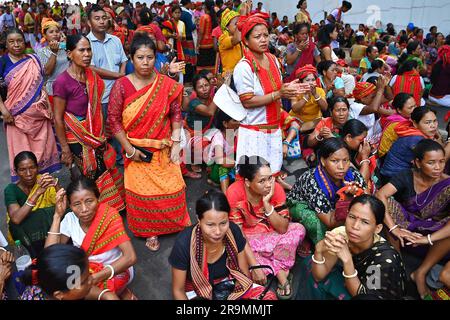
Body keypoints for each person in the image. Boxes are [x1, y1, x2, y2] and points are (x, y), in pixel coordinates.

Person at [107, 34, 191, 252]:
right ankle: (149, 231)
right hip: (136, 151)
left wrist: (175, 142)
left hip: (163, 147)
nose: (145, 63)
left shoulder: (166, 85)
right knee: (142, 195)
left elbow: (175, 113)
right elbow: (113, 121)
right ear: (132, 59)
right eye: (140, 57)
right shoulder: (122, 86)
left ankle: (174, 224)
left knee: (174, 188)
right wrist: (129, 150)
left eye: (150, 57)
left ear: (157, 59)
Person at [53, 34, 125, 213]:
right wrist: (65, 149)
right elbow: (58, 118)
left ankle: (106, 207)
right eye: (81, 50)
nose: (87, 54)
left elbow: (99, 80)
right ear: (70, 54)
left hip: (96, 134)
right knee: (94, 172)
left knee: (104, 167)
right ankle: (105, 210)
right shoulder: (62, 82)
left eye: (89, 50)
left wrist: (120, 76)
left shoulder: (91, 75)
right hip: (77, 137)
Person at [169, 190, 277, 300]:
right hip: (197, 290)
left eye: (223, 223)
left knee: (269, 297)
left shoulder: (233, 231)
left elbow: (243, 273)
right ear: (199, 220)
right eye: (210, 225)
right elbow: (178, 290)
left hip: (228, 281)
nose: (218, 231)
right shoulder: (184, 243)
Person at [376, 139, 450, 298]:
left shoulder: (447, 184)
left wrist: (427, 239)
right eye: (431, 162)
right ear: (417, 162)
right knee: (386, 204)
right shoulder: (406, 175)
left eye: (442, 162)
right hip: (405, 228)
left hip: (433, 233)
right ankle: (397, 263)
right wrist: (395, 228)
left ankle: (420, 273)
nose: (438, 167)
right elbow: (381, 194)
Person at [297, 195, 407, 300]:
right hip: (351, 278)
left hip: (370, 294)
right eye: (352, 217)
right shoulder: (341, 234)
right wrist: (318, 251)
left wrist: (347, 260)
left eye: (365, 222)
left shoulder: (383, 258)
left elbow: (364, 297)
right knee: (310, 263)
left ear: (377, 228)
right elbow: (318, 276)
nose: (355, 226)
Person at [45, 177, 137, 300]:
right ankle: (120, 293)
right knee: (62, 288)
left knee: (76, 291)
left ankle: (119, 291)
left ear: (98, 199)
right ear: (70, 205)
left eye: (89, 201)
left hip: (116, 268)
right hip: (86, 270)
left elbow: (130, 257)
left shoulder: (109, 215)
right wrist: (57, 216)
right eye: (77, 204)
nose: (84, 209)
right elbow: (50, 256)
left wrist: (93, 279)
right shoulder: (69, 219)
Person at [226, 156, 305, 299]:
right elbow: (239, 235)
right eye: (262, 181)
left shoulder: (276, 189)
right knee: (234, 252)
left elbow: (282, 229)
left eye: (270, 178)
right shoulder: (234, 192)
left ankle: (268, 267)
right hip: (248, 238)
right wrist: (254, 265)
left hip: (273, 232)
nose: (268, 184)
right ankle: (281, 272)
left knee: (298, 230)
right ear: (248, 182)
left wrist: (267, 204)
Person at [232, 12, 300, 177]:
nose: (263, 40)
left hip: (274, 130)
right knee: (254, 179)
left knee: (271, 175)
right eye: (257, 36)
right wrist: (279, 93)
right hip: (254, 134)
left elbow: (277, 88)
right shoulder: (243, 67)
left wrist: (288, 88)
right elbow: (247, 101)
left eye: (266, 35)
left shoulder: (272, 59)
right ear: (246, 41)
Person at [0, 28, 60, 183]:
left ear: (24, 42)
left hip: (39, 115)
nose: (16, 45)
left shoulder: (33, 59)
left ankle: (46, 188)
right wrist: (4, 111)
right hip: (15, 116)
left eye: (19, 41)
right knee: (22, 153)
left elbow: (46, 71)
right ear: (5, 44)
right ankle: (27, 192)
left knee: (44, 150)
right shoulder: (2, 62)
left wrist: (53, 52)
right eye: (11, 42)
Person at [287, 138, 367, 244]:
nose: (341, 167)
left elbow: (367, 199)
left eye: (345, 160)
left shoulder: (352, 174)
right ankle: (322, 250)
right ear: (323, 161)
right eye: (335, 161)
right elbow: (330, 222)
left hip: (333, 208)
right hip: (302, 205)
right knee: (317, 224)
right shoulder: (313, 181)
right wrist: (346, 200)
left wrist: (359, 194)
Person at [4, 152, 59, 258]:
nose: (28, 173)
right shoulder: (11, 190)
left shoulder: (44, 180)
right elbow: (16, 219)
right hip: (29, 235)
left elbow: (64, 207)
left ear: (37, 167)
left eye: (32, 167)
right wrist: (37, 193)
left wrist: (56, 185)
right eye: (22, 170)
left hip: (49, 228)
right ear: (16, 172)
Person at [380, 107, 441, 185]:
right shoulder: (416, 139)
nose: (433, 126)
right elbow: (436, 159)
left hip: (395, 173)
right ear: (415, 123)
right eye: (428, 122)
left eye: (435, 121)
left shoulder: (412, 131)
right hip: (392, 178)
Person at [19, 244, 94, 300]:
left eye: (89, 274)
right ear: (59, 295)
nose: (91, 280)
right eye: (83, 282)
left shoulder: (48, 284)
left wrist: (104, 295)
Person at [184, 73, 218, 173]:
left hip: (207, 129)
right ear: (195, 90)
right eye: (200, 87)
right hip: (194, 131)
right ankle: (195, 161)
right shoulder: (194, 103)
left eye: (206, 85)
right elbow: (209, 112)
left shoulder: (211, 99)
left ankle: (209, 161)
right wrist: (220, 93)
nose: (204, 89)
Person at [36, 18, 69, 102]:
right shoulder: (42, 52)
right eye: (51, 32)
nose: (55, 34)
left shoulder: (65, 47)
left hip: (68, 86)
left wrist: (66, 45)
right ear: (45, 35)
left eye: (57, 31)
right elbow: (47, 72)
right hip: (52, 89)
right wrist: (54, 53)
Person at [205, 110, 239, 193]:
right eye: (235, 120)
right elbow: (220, 161)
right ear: (225, 124)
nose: (239, 122)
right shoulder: (218, 138)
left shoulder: (233, 133)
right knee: (223, 167)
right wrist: (237, 163)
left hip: (229, 162)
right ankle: (226, 196)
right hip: (215, 168)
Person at [349, 78, 390, 145]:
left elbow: (388, 98)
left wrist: (385, 85)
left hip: (370, 138)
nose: (375, 99)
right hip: (359, 141)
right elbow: (374, 109)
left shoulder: (369, 103)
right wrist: (380, 90)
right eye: (372, 97)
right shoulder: (355, 106)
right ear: (362, 98)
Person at [378, 93, 417, 159]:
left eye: (415, 106)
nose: (414, 110)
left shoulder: (397, 115)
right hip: (387, 157)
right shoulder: (399, 124)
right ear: (399, 110)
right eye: (410, 108)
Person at [218, 8, 242, 75]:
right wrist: (242, 15)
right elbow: (237, 39)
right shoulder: (223, 38)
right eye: (236, 23)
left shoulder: (240, 36)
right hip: (230, 76)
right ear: (227, 27)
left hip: (241, 74)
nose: (239, 25)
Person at [197, 0, 217, 73]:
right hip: (212, 44)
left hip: (204, 44)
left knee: (202, 65)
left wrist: (197, 45)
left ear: (205, 7)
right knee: (211, 64)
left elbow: (201, 32)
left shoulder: (204, 17)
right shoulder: (214, 16)